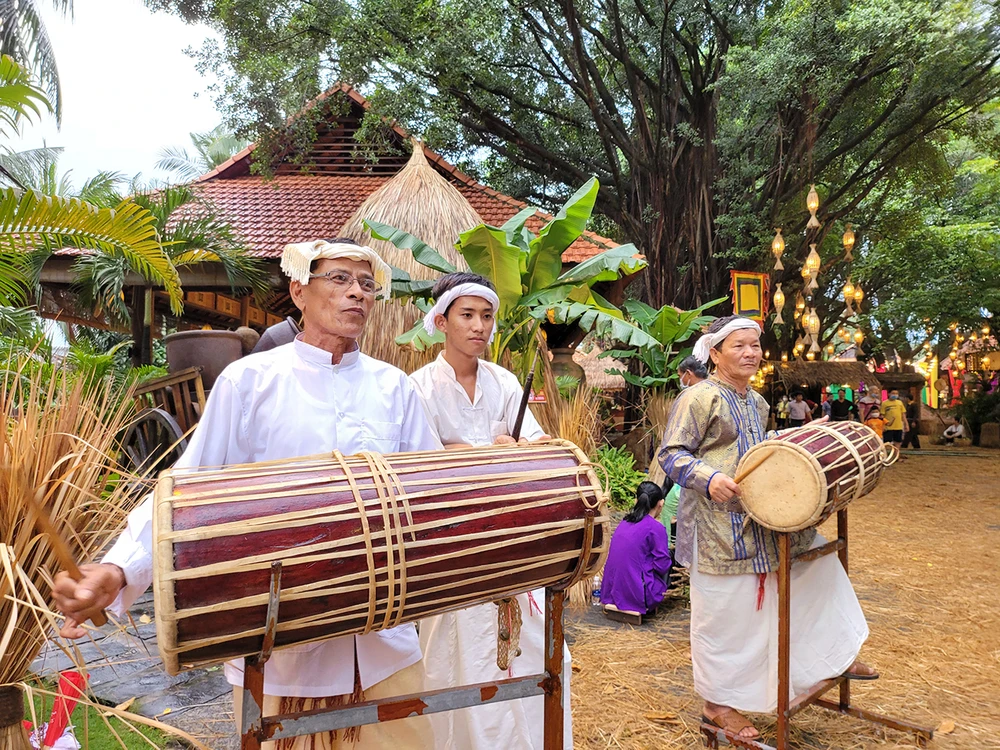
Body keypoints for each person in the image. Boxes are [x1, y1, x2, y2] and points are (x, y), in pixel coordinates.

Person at [52, 238, 441, 749]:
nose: (358, 294)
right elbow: (187, 491)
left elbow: (433, 493)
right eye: (341, 279)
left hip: (383, 645)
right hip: (276, 644)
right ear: (299, 291)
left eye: (368, 285)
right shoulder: (249, 382)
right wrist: (120, 568)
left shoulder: (396, 388)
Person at [658, 316, 873, 741]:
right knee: (725, 617)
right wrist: (708, 477)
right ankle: (717, 704)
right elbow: (671, 454)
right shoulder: (698, 397)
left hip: (761, 519)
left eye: (755, 345)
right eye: (739, 345)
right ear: (715, 353)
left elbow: (757, 447)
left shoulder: (755, 401)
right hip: (716, 527)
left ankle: (832, 657)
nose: (751, 353)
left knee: (817, 567)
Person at [408, 272, 571, 750]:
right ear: (440, 321)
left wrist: (513, 446)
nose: (479, 326)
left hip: (512, 543)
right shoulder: (418, 387)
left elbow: (541, 448)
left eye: (486, 316)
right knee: (456, 649)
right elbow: (416, 464)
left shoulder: (504, 382)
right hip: (451, 544)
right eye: (467, 315)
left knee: (530, 645)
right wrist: (479, 454)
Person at [600, 481, 672, 615]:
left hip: (610, 592)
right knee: (668, 557)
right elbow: (662, 565)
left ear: (636, 500)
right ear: (660, 504)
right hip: (638, 596)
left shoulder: (624, 522)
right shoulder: (656, 528)